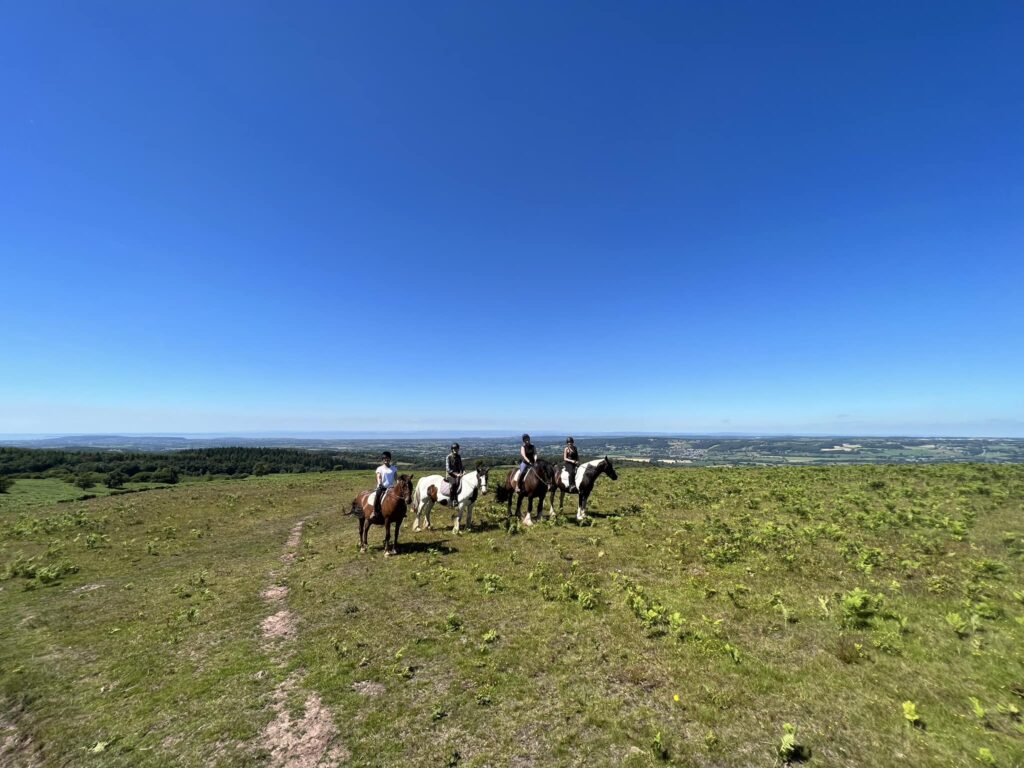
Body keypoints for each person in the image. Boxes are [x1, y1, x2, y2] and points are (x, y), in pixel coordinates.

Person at [373, 451, 398, 521]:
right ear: (383, 459)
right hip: (382, 487)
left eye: (388, 458)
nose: (386, 460)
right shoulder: (379, 468)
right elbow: (379, 477)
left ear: (390, 459)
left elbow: (396, 478)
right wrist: (380, 484)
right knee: (377, 494)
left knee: (400, 497)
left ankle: (401, 512)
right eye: (384, 458)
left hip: (391, 488)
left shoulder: (393, 468)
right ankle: (374, 511)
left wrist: (398, 484)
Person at [445, 443, 464, 508]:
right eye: (454, 449)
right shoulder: (448, 457)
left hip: (458, 474)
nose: (455, 450)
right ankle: (452, 500)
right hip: (450, 474)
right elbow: (448, 469)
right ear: (452, 449)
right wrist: (456, 474)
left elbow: (461, 466)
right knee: (454, 484)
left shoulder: (459, 456)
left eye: (456, 448)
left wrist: (463, 471)